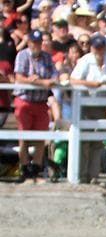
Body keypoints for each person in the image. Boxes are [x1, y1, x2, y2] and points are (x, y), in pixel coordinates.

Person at [69, 35, 106, 184]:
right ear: (92, 47)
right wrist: (90, 83)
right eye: (96, 47)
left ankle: (93, 175)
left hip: (103, 105)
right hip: (86, 105)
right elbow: (73, 80)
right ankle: (81, 175)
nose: (99, 50)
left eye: (101, 47)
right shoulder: (85, 60)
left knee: (97, 141)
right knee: (84, 141)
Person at [12, 29, 57, 182]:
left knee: (40, 138)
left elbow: (53, 76)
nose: (36, 45)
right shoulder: (22, 55)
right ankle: (24, 169)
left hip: (41, 103)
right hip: (25, 101)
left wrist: (37, 81)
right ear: (29, 42)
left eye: (38, 42)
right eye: (33, 42)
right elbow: (19, 77)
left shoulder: (47, 57)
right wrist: (41, 82)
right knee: (23, 137)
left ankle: (36, 169)